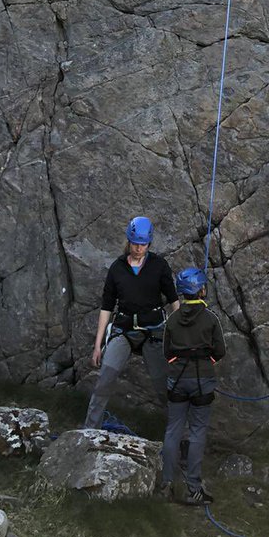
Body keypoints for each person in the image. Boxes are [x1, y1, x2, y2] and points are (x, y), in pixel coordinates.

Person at [84, 216, 179, 430]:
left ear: (149, 243)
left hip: (153, 331)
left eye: (143, 244)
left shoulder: (158, 266)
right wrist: (98, 345)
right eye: (135, 243)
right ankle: (88, 432)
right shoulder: (117, 268)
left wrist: (181, 332)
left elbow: (174, 300)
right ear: (128, 241)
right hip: (124, 330)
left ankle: (180, 437)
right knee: (105, 380)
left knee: (163, 385)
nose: (138, 248)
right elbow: (106, 307)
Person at [160, 266, 226, 504]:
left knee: (173, 430)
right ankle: (192, 489)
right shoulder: (210, 319)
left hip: (177, 379)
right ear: (201, 290)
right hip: (202, 380)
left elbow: (167, 351)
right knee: (197, 432)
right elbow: (220, 350)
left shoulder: (173, 320)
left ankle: (167, 484)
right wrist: (206, 359)